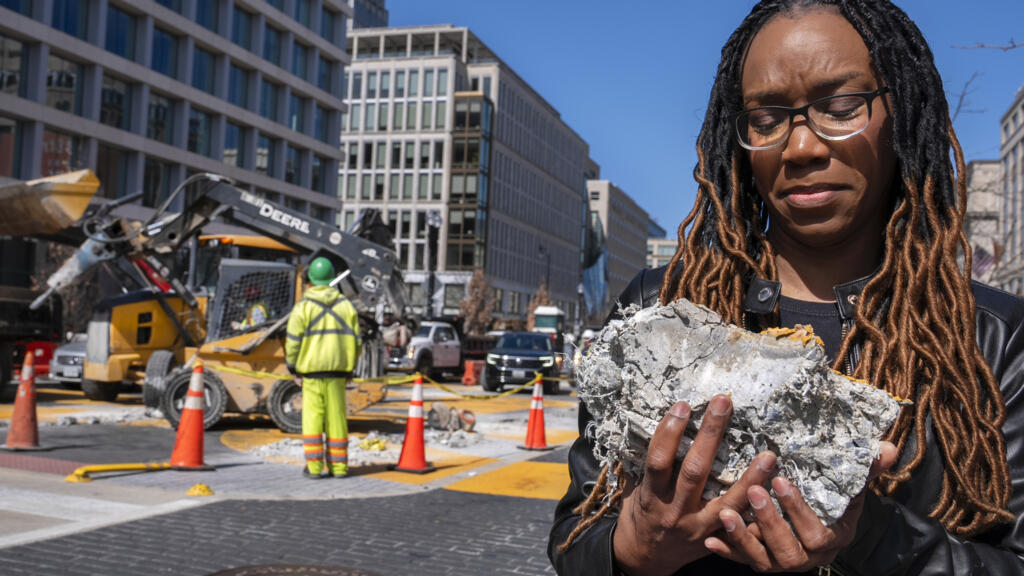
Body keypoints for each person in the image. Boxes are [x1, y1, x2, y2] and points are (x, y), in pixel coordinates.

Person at [549, 1, 1024, 574]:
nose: (800, 148)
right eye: (767, 118)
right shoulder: (661, 309)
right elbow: (577, 531)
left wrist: (867, 535)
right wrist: (632, 549)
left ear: (902, 111)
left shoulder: (995, 338)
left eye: (841, 106)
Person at [285, 257, 361, 479]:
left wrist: (293, 367)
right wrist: (350, 368)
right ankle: (339, 468)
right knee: (337, 419)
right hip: (338, 373)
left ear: (310, 279)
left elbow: (292, 343)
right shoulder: (347, 307)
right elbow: (357, 343)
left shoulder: (302, 308)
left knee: (312, 419)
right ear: (331, 278)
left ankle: (315, 468)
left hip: (311, 374)